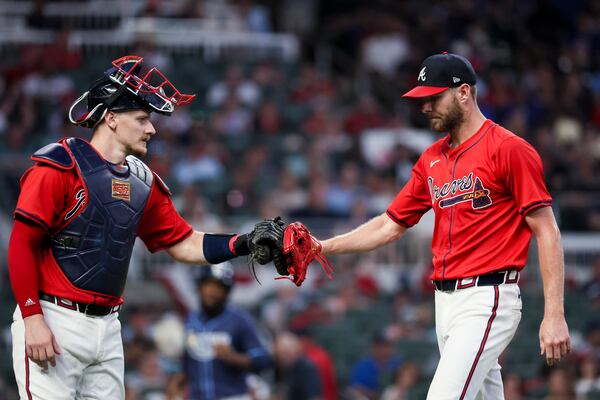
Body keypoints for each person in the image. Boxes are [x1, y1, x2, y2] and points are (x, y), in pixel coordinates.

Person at [8, 55, 276, 400]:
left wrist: (245, 242)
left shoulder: (142, 180)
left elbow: (184, 243)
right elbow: (22, 244)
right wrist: (32, 318)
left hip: (107, 326)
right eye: (142, 119)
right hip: (53, 316)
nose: (151, 129)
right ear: (111, 118)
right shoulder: (59, 167)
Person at [318, 52, 571, 399]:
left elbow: (547, 231)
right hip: (445, 303)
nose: (425, 107)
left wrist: (554, 314)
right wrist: (322, 246)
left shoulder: (509, 149)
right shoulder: (431, 158)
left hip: (487, 298)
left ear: (464, 93)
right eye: (423, 99)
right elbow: (388, 226)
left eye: (434, 98)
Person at [175, 263, 271, 400]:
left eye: (219, 286)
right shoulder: (191, 320)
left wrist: (233, 357)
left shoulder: (239, 320)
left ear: (227, 291)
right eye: (208, 284)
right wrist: (177, 382)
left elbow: (263, 360)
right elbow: (187, 364)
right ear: (200, 286)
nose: (212, 291)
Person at [272, 331, 322, 400]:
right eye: (281, 354)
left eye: (287, 353)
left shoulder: (306, 368)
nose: (283, 358)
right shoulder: (277, 367)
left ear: (296, 351)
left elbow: (315, 397)